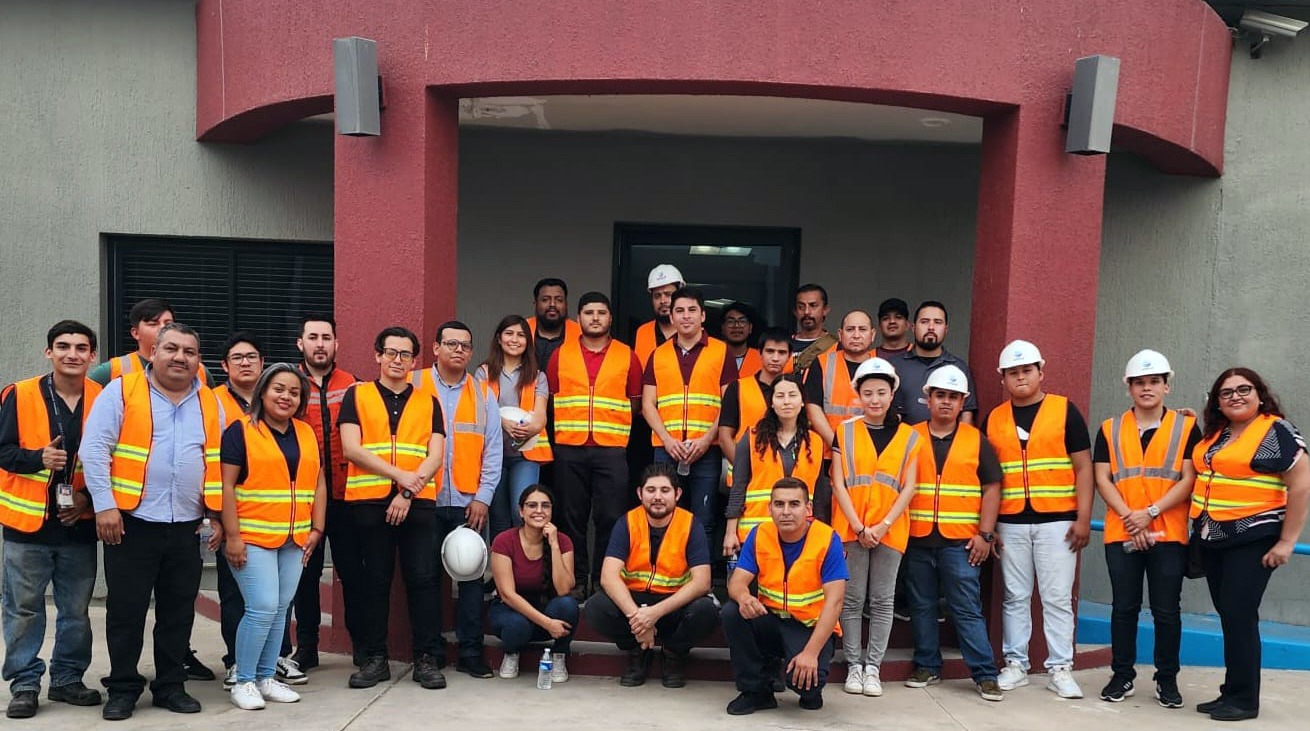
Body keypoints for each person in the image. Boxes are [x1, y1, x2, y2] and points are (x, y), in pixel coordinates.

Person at [80, 322, 226, 720]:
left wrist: (215, 516)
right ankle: (123, 687)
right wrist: (105, 505)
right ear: (154, 353)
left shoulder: (211, 402)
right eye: (172, 349)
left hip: (189, 525)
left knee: (178, 610)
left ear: (199, 360)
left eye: (190, 352)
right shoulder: (121, 391)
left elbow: (217, 463)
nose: (180, 358)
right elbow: (94, 450)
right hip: (132, 522)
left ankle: (169, 685)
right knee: (126, 610)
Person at [1189, 367, 1309, 722]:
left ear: (1260, 394)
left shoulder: (1275, 430)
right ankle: (1232, 690)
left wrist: (1287, 541)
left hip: (1252, 538)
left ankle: (1244, 700)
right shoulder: (1219, 433)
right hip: (1213, 539)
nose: (1236, 396)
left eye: (1244, 389)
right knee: (1230, 615)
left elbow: (1301, 484)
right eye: (1226, 392)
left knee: (1240, 615)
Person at [0, 321, 103, 719]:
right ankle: (24, 685)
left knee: (75, 610)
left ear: (93, 356)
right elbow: (3, 451)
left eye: (81, 347)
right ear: (49, 353)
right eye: (63, 346)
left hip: (78, 522)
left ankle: (66, 681)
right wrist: (36, 459)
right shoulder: (19, 394)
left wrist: (86, 497)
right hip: (27, 527)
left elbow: (117, 462)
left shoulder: (105, 397)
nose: (72, 354)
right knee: (23, 610)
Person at [982, 339, 1093, 700]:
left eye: (1027, 370)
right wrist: (990, 526)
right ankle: (1016, 664)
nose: (1021, 378)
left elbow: (1083, 468)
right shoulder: (994, 419)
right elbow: (988, 478)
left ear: (1041, 372)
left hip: (1058, 521)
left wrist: (1083, 518)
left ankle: (1060, 668)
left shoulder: (1065, 411)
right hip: (1011, 522)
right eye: (1013, 373)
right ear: (1003, 379)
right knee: (1014, 596)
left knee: (1057, 597)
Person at [338, 326, 447, 690]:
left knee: (424, 581)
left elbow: (435, 455)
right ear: (377, 355)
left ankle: (427, 659)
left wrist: (406, 491)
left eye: (405, 354)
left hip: (416, 504)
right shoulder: (358, 395)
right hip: (369, 504)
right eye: (391, 352)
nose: (397, 360)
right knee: (375, 582)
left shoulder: (428, 401)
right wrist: (401, 476)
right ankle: (374, 659)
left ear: (415, 360)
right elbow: (352, 449)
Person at [1093, 350, 1201, 708]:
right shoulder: (1110, 428)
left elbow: (1188, 478)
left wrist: (1150, 512)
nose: (1147, 388)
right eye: (1140, 382)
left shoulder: (1186, 427)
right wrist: (1131, 517)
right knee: (1124, 607)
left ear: (1166, 386)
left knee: (1167, 610)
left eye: (1154, 381)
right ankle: (1122, 675)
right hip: (1123, 530)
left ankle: (1167, 680)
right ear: (1129, 388)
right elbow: (1102, 478)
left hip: (1168, 534)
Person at [219, 364, 327, 710]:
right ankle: (244, 680)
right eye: (279, 389)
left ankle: (267, 677)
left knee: (280, 610)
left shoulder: (306, 433)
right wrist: (232, 536)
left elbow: (319, 483)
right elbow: (226, 486)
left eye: (294, 392)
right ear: (263, 392)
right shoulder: (240, 432)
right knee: (262, 607)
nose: (286, 397)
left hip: (295, 538)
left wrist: (316, 529)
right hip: (251, 536)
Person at [903, 365, 1004, 701]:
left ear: (963, 402)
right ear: (928, 399)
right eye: (940, 395)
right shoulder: (909, 437)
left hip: (961, 542)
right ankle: (927, 665)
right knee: (921, 605)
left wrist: (985, 535)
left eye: (953, 397)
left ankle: (985, 674)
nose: (946, 402)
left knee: (966, 607)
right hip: (917, 538)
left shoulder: (977, 440)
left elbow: (991, 488)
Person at [209, 332, 303, 688]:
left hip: (287, 530)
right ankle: (239, 665)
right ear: (225, 365)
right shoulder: (214, 402)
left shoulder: (298, 428)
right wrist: (218, 520)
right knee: (243, 598)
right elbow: (219, 473)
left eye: (252, 356)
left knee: (278, 603)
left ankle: (270, 666)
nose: (245, 362)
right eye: (237, 357)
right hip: (240, 524)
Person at [412, 320, 503, 679]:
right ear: (435, 348)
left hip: (469, 504)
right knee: (426, 581)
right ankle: (430, 652)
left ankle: (470, 652)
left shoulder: (483, 394)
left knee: (470, 581)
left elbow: (493, 451)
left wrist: (483, 498)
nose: (459, 350)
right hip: (424, 501)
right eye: (450, 343)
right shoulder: (414, 385)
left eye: (465, 345)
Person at [829, 358, 921, 698]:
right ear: (858, 395)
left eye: (881, 392)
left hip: (891, 529)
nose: (875, 399)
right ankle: (854, 664)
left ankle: (873, 668)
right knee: (851, 600)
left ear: (892, 392)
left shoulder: (911, 437)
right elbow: (838, 483)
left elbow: (909, 487)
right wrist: (857, 525)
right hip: (850, 527)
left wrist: (882, 526)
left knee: (882, 600)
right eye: (868, 393)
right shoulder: (845, 430)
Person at [583, 463, 717, 688]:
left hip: (673, 606)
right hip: (633, 603)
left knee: (706, 611)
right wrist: (639, 620)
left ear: (677, 494)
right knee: (595, 608)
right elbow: (608, 576)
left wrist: (653, 614)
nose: (657, 497)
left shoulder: (690, 524)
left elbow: (702, 582)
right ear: (639, 493)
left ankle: (673, 652)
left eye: (665, 490)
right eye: (651, 490)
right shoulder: (627, 522)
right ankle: (637, 650)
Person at [721, 477, 848, 715]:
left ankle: (808, 680)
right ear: (769, 508)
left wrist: (810, 654)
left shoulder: (826, 539)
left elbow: (835, 602)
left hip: (808, 627)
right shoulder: (760, 534)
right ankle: (756, 691)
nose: (786, 512)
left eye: (794, 504)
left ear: (808, 508)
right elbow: (737, 582)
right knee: (732, 612)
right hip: (770, 619)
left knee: (806, 690)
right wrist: (744, 597)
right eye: (779, 504)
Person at [546, 292, 643, 597]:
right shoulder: (560, 354)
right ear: (579, 317)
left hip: (611, 449)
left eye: (601, 312)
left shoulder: (628, 355)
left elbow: (636, 403)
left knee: (610, 516)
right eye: (589, 312)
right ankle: (576, 579)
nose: (595, 318)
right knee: (571, 516)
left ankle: (604, 580)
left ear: (610, 318)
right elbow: (549, 399)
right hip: (569, 447)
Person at [287, 315, 361, 672]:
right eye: (313, 337)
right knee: (305, 576)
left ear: (337, 344)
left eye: (326, 337)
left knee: (353, 574)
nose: (320, 344)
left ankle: (363, 646)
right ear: (300, 343)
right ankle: (308, 647)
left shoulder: (354, 386)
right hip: (303, 500)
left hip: (348, 498)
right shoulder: (288, 385)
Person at [642, 286, 737, 538]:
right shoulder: (657, 354)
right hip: (666, 448)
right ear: (671, 317)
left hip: (706, 449)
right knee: (663, 515)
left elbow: (729, 403)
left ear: (703, 315)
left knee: (703, 519)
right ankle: (668, 574)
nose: (686, 316)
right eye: (679, 311)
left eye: (692, 310)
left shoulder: (721, 351)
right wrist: (667, 440)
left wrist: (706, 440)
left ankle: (700, 577)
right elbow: (648, 404)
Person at [723, 374, 824, 556]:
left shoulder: (816, 442)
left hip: (801, 534)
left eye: (792, 395)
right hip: (755, 532)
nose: (786, 402)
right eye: (780, 396)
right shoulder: (752, 438)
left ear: (802, 402)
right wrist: (730, 533)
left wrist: (823, 534)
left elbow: (820, 494)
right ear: (771, 403)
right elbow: (738, 486)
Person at [489, 485, 578, 682]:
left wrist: (554, 544)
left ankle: (559, 655)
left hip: (549, 609)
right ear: (521, 511)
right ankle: (512, 653)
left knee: (567, 605)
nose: (539, 510)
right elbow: (507, 594)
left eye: (545, 506)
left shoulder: (563, 541)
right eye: (532, 505)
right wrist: (547, 623)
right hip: (512, 612)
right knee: (517, 624)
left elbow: (564, 588)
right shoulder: (504, 541)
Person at [476, 315, 551, 538]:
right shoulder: (484, 372)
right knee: (498, 517)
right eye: (509, 334)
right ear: (499, 339)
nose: (515, 339)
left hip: (525, 454)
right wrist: (502, 423)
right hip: (492, 455)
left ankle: (524, 568)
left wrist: (530, 428)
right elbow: (478, 410)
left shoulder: (539, 376)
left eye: (521, 335)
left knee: (522, 513)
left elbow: (540, 416)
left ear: (528, 341)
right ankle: (501, 571)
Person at [718, 328, 792, 483]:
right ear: (760, 353)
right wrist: (745, 470)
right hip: (745, 481)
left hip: (787, 479)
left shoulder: (796, 390)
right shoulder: (738, 387)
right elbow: (725, 436)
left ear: (789, 356)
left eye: (782, 352)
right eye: (770, 351)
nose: (775, 358)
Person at [88, 298, 212, 388]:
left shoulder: (199, 371)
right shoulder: (113, 370)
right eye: (153, 324)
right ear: (135, 333)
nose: (162, 328)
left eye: (168, 324)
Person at [892, 301, 978, 425]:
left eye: (938, 322)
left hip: (947, 443)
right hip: (905, 442)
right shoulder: (894, 366)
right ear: (913, 327)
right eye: (925, 321)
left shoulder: (958, 368)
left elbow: (966, 415)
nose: (931, 327)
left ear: (946, 329)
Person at [804, 309, 873, 451]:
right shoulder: (822, 363)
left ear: (872, 335)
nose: (856, 335)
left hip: (867, 453)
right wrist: (836, 445)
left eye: (862, 329)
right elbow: (813, 407)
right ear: (840, 335)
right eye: (850, 330)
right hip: (827, 452)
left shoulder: (881, 369)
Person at [633, 264, 684, 367]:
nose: (662, 301)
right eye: (657, 296)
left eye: (668, 294)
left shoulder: (691, 330)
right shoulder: (642, 332)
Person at [525, 277, 581, 369]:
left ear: (566, 304)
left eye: (559, 300)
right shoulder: (522, 329)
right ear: (535, 304)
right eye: (545, 300)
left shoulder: (580, 334)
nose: (552, 304)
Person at [789, 284, 837, 374]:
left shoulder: (835, 346)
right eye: (801, 307)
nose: (807, 312)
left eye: (813, 305)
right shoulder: (783, 346)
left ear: (825, 310)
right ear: (795, 312)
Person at [720, 301, 761, 378]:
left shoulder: (761, 359)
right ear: (722, 328)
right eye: (730, 322)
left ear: (750, 328)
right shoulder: (712, 356)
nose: (736, 326)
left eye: (742, 321)